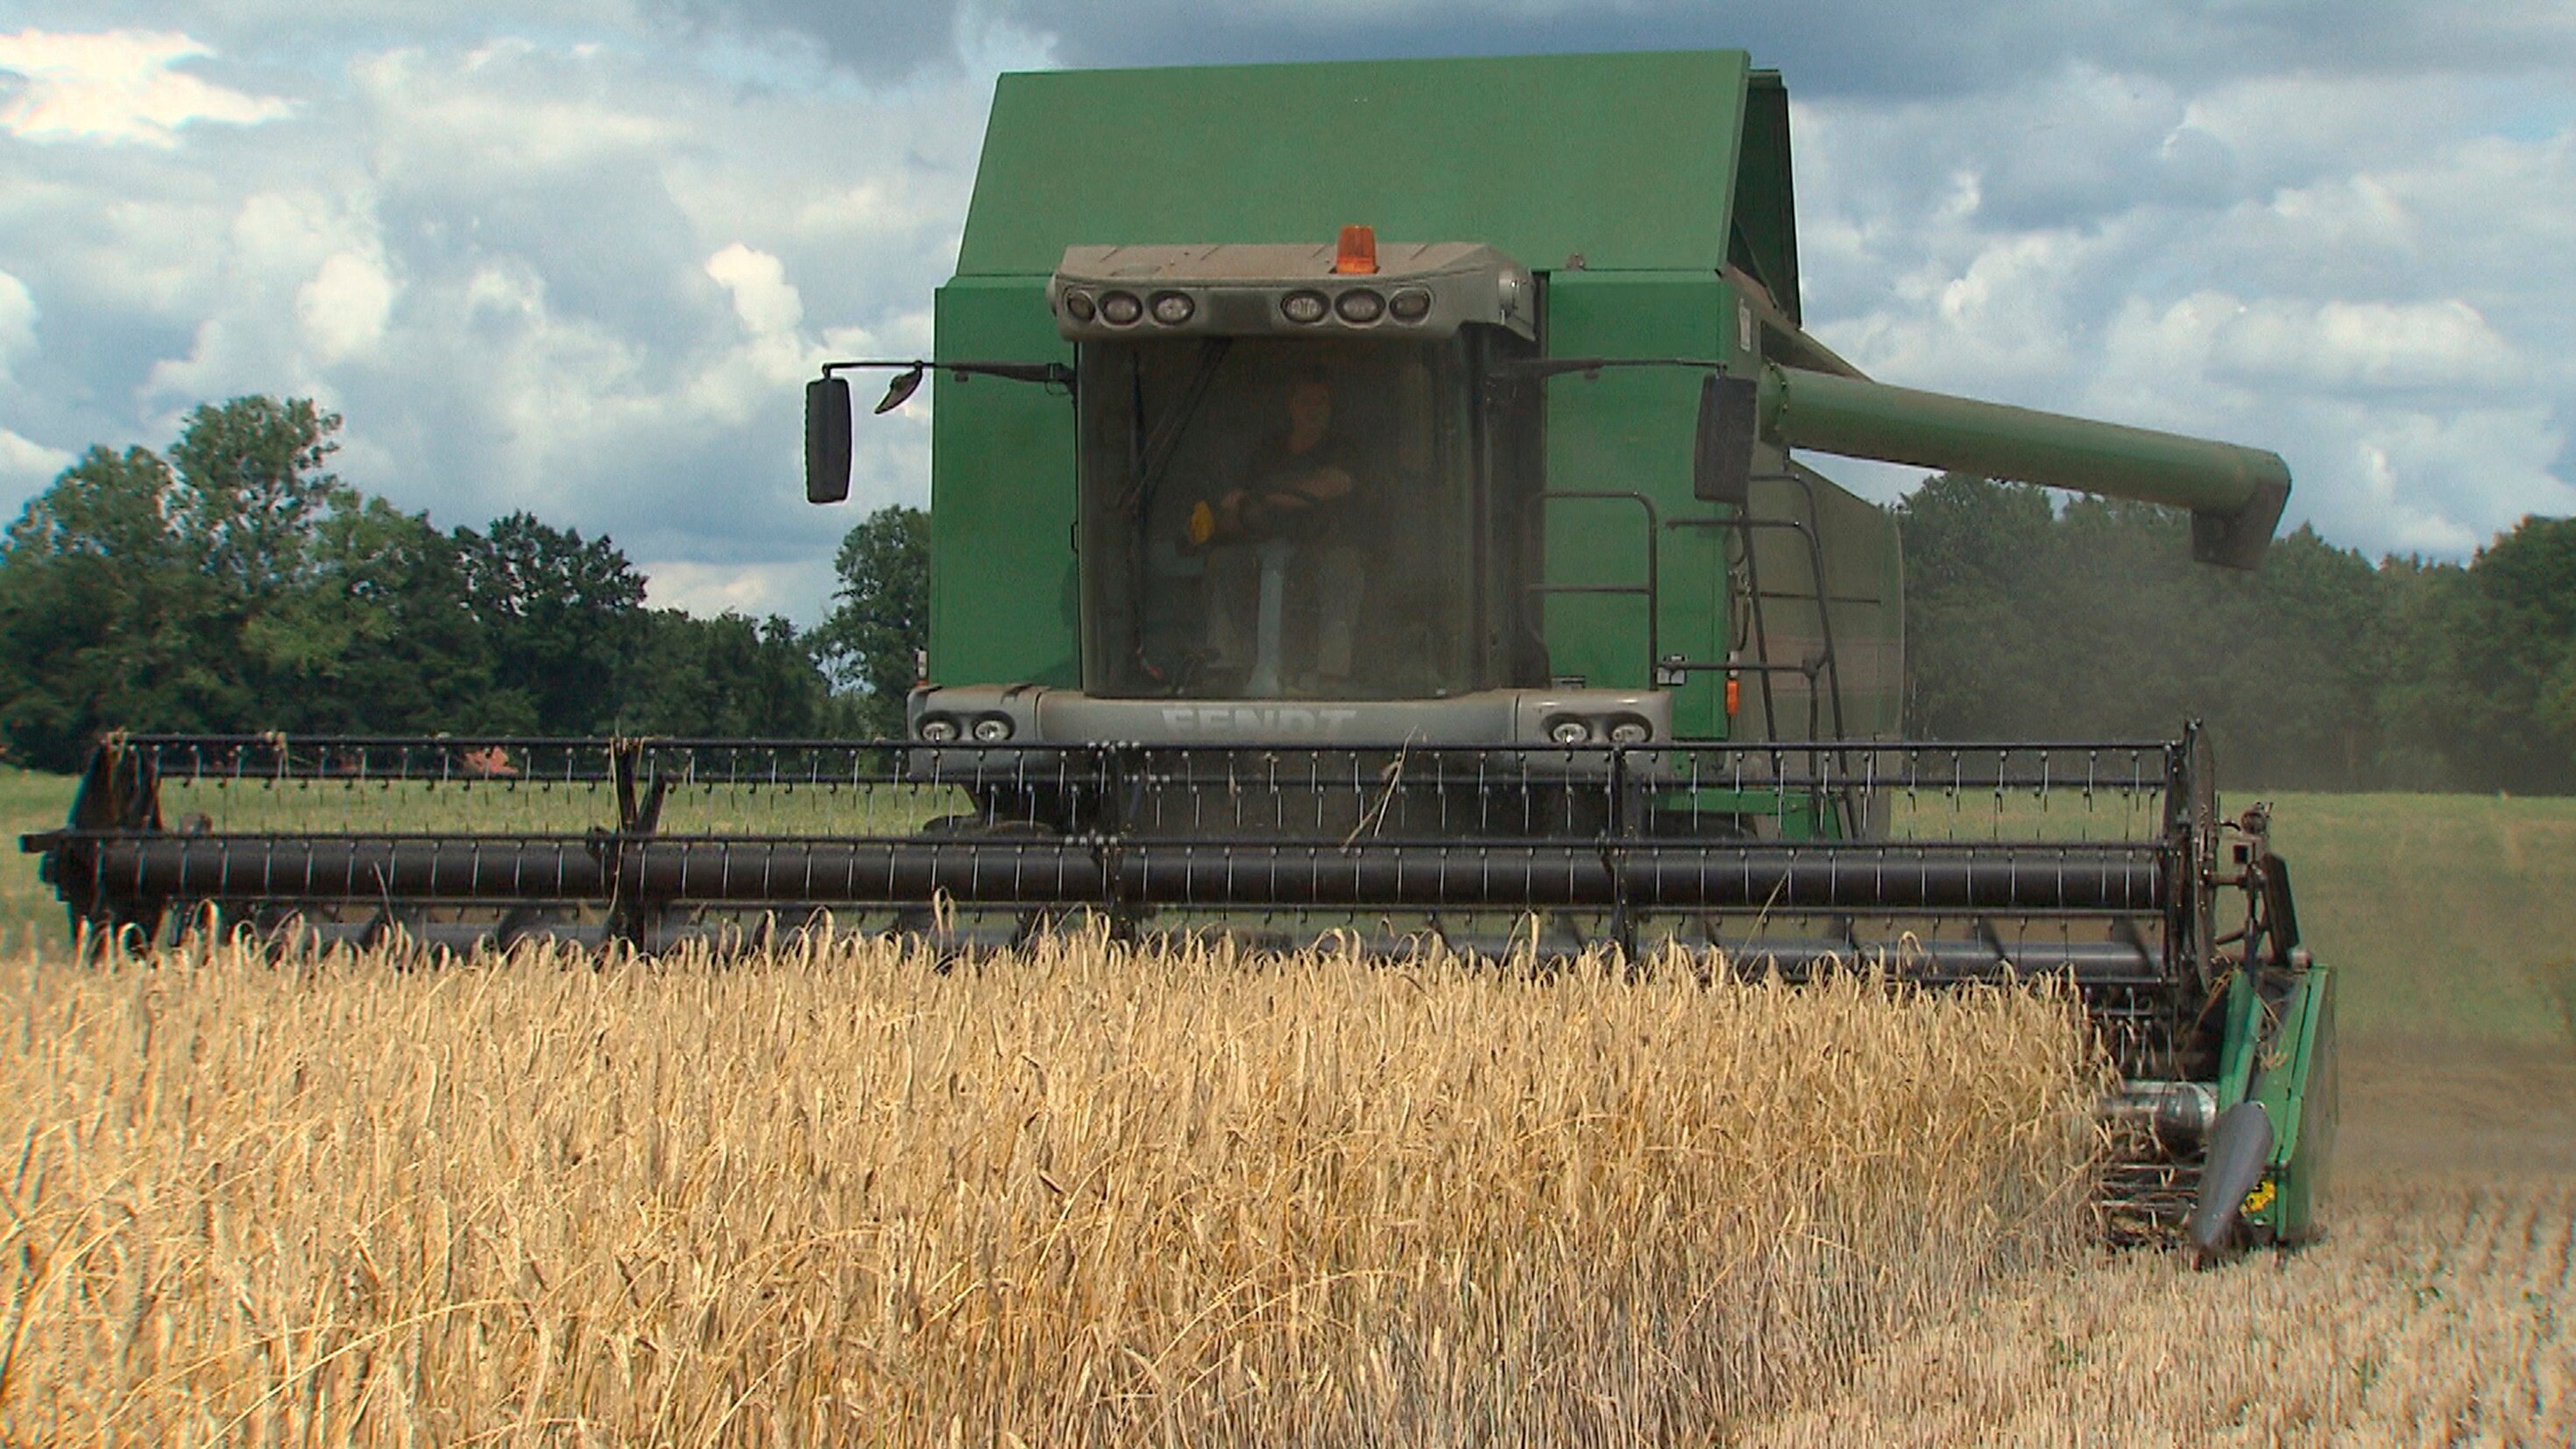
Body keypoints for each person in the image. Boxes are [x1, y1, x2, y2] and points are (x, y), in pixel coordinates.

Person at [1186, 375, 1371, 689]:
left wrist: (1261, 496)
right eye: (1305, 402)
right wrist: (1223, 518)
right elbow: (1243, 505)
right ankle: (1226, 669)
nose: (1313, 410)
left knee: (1344, 567)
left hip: (1322, 552)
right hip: (1264, 553)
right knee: (1224, 562)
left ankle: (1331, 677)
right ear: (1291, 407)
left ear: (1331, 409)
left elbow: (1329, 485)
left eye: (1321, 402)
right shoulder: (1268, 451)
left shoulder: (1343, 450)